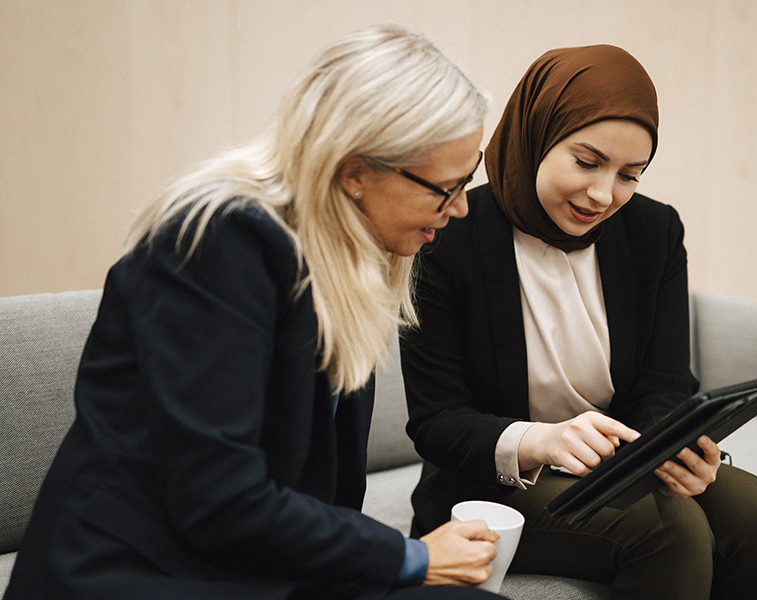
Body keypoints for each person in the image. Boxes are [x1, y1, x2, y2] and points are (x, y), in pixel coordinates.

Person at [3, 24, 505, 600]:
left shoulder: (352, 258)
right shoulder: (217, 245)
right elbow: (218, 499)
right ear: (354, 171)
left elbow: (322, 493)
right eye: (445, 187)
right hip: (139, 575)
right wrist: (406, 555)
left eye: (467, 180)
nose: (462, 207)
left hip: (253, 566)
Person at [400, 44, 757, 600]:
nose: (602, 194)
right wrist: (543, 440)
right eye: (587, 162)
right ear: (537, 135)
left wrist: (677, 446)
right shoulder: (446, 239)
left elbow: (663, 384)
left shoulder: (653, 231)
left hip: (620, 465)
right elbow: (437, 420)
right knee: (671, 532)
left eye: (628, 175)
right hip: (494, 484)